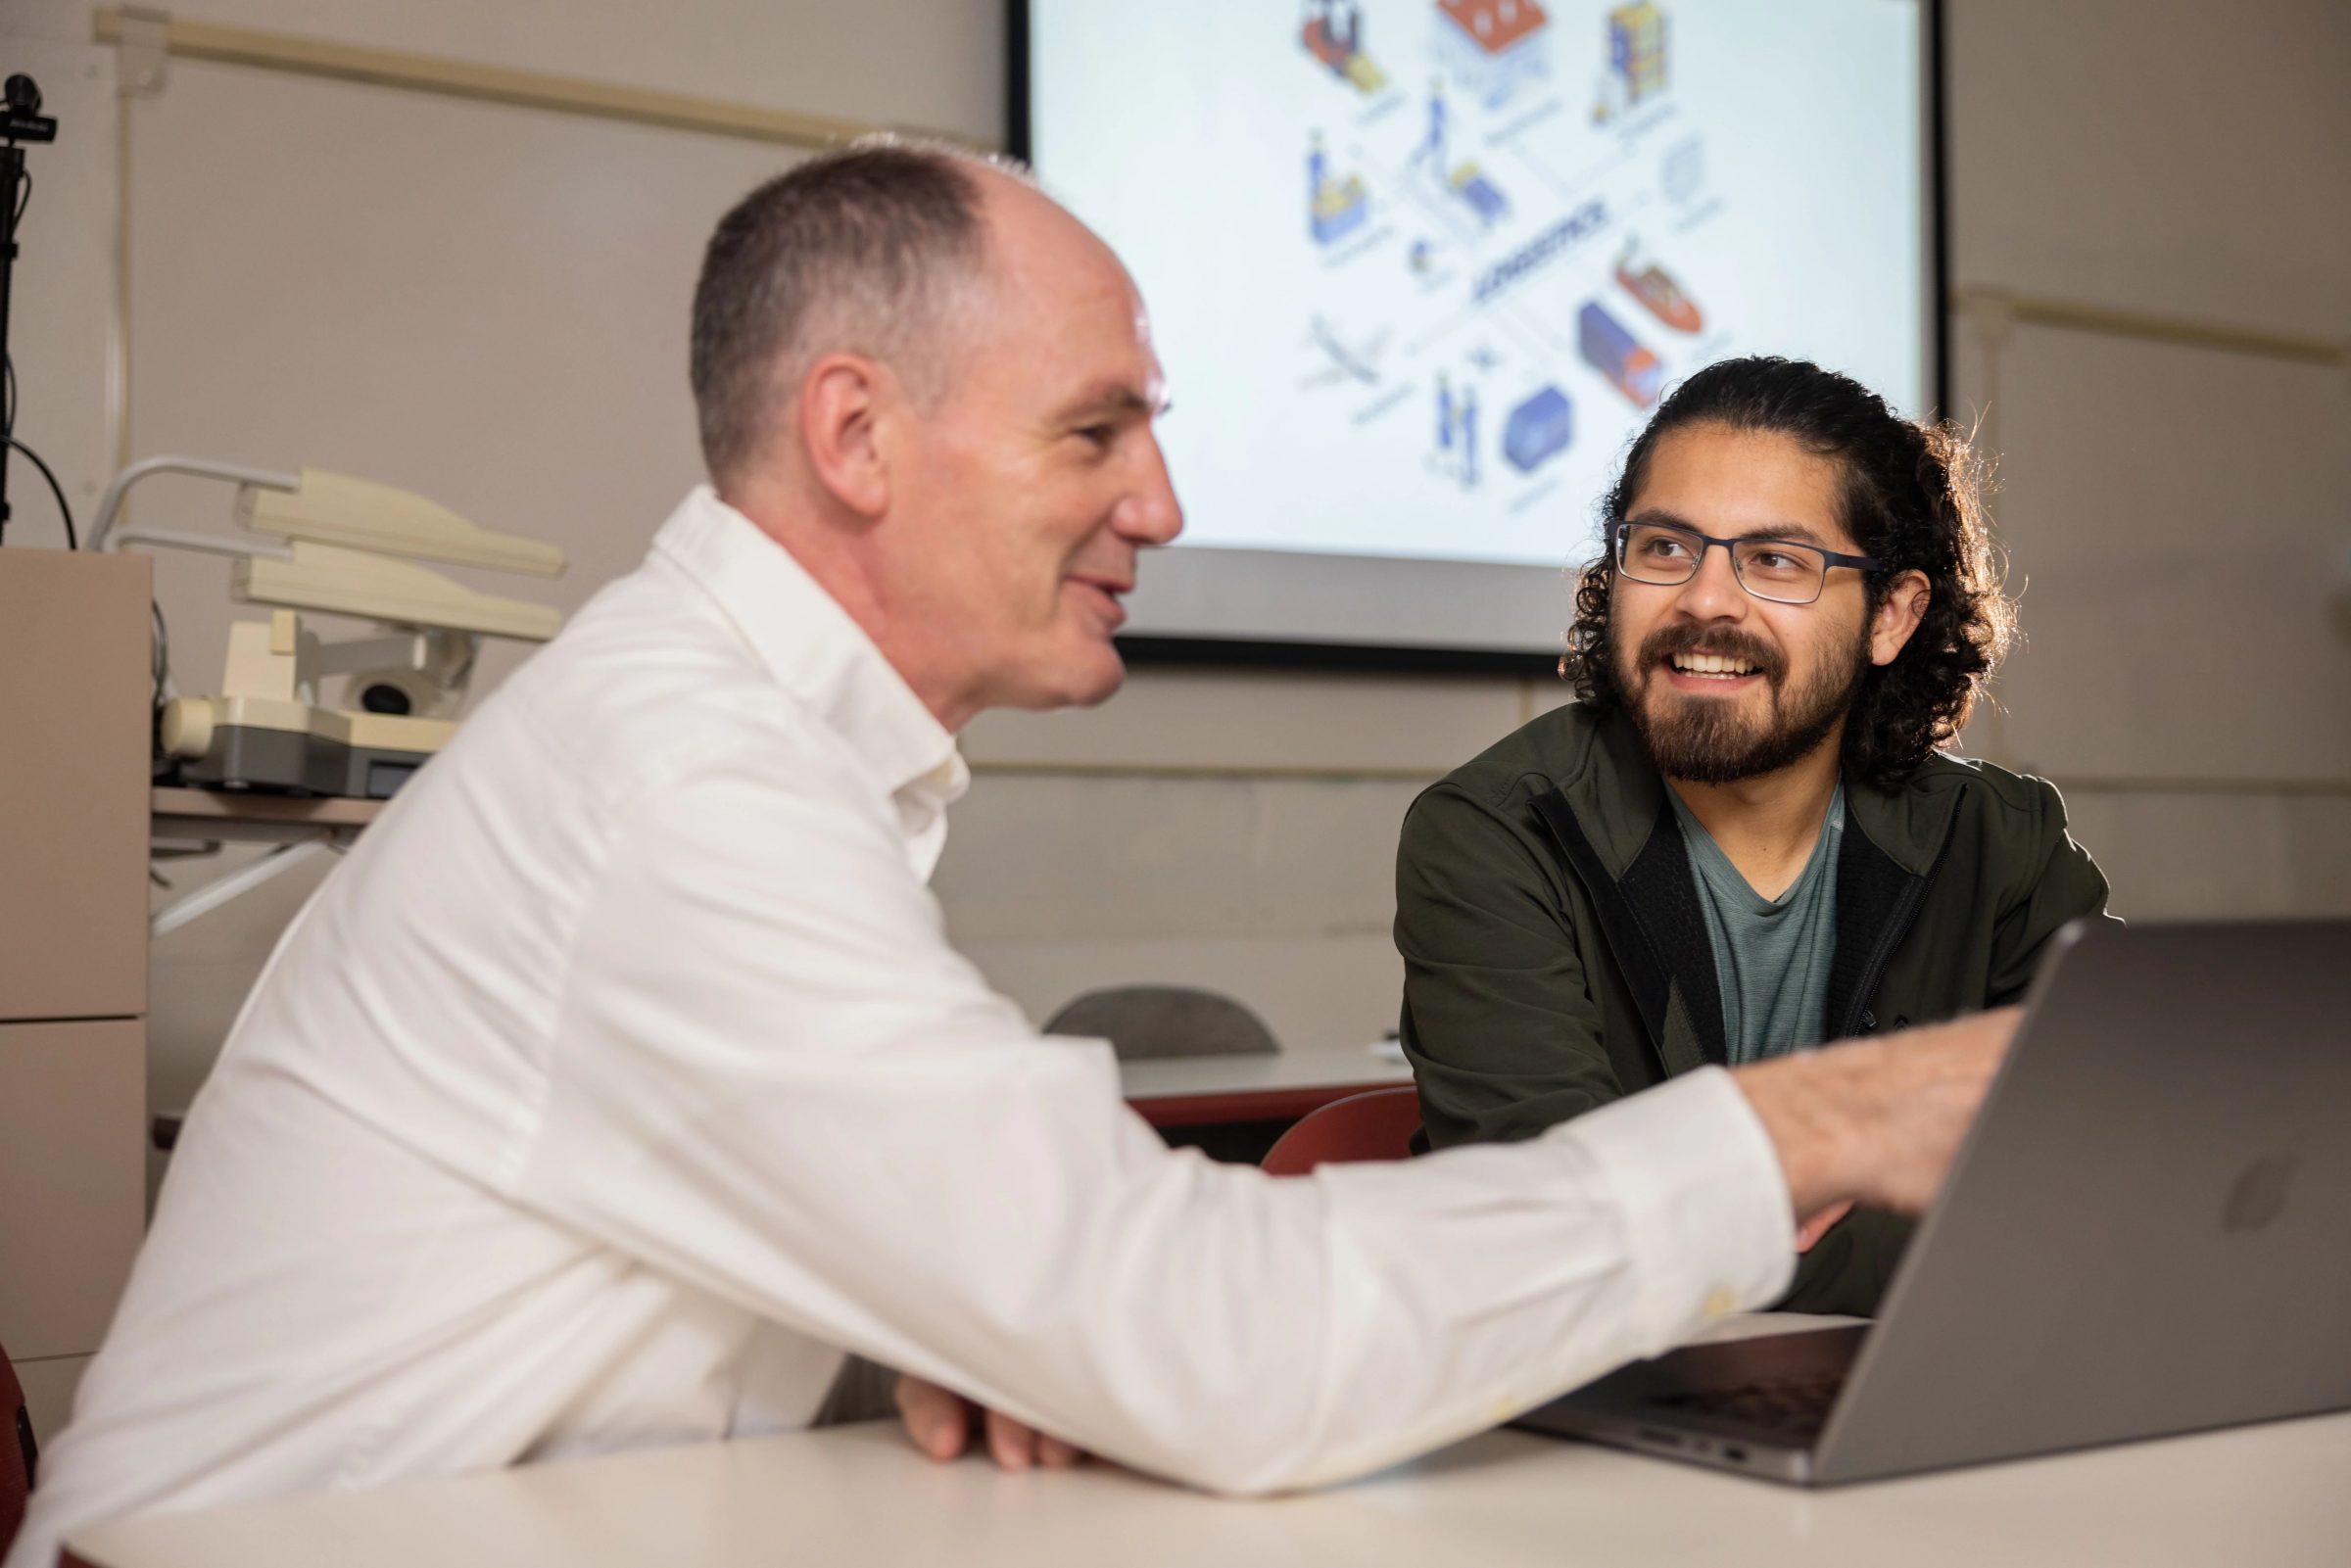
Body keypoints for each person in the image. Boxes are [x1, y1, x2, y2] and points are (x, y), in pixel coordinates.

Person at [11, 147, 2012, 1566]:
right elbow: (1229, 1346)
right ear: (860, 437)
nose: (1162, 494)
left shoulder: (730, 746)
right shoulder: (677, 788)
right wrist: (1818, 1117)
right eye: (1096, 429)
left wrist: (966, 1312)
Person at [1395, 356, 2115, 1316]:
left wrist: (1712, 1213)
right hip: (1602, 1411)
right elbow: (1563, 1229)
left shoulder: (2002, 842)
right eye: (1663, 548)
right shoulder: (1499, 831)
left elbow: (2126, 1164)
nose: (1704, 599)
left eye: (1776, 560)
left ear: (1891, 616)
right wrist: (1895, 1197)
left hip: (1930, 1394)